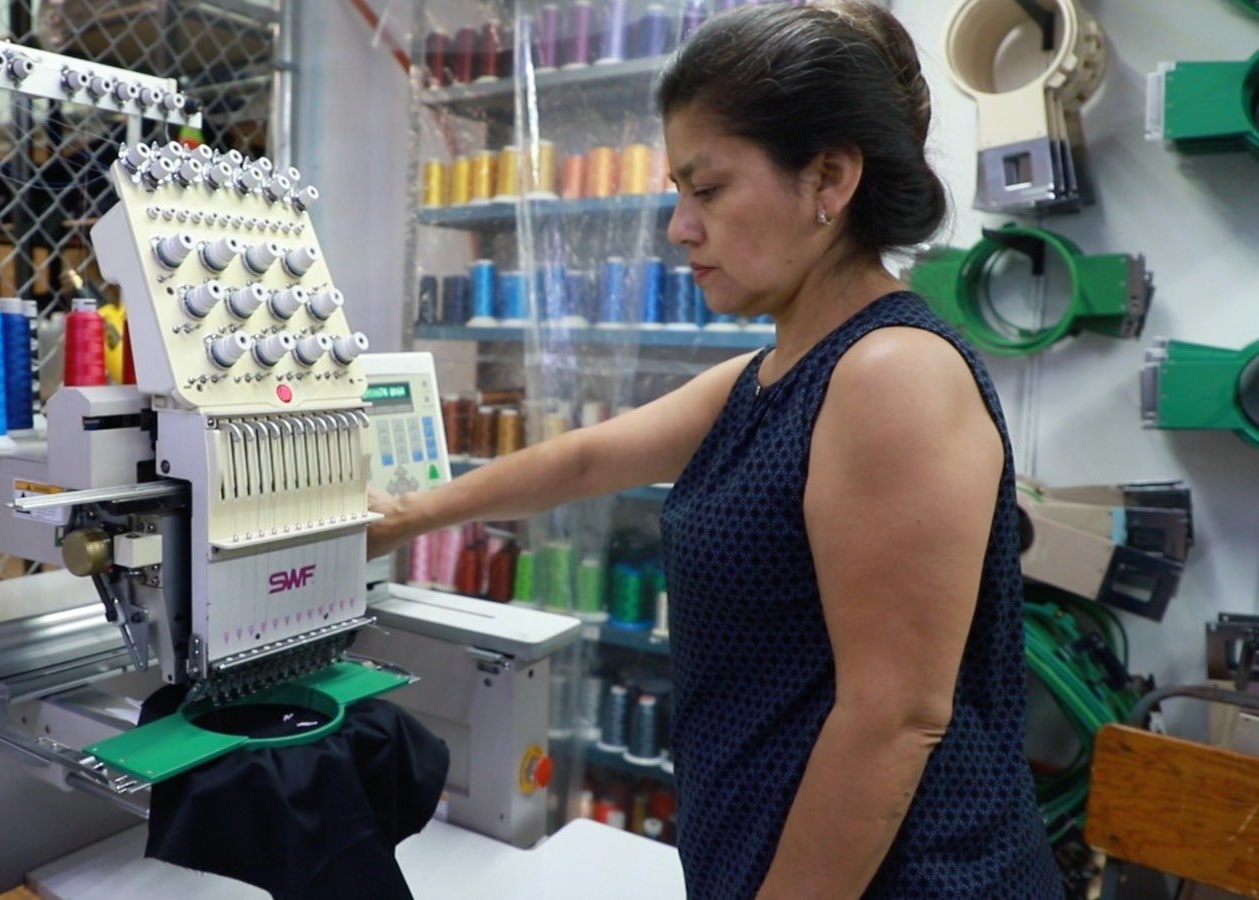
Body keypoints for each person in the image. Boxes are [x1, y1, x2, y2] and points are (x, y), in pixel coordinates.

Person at [369, 1, 1065, 897]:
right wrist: (404, 517)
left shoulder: (892, 376)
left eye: (708, 190)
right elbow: (586, 461)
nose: (679, 228)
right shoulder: (778, 373)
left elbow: (892, 723)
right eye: (678, 192)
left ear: (828, 179)